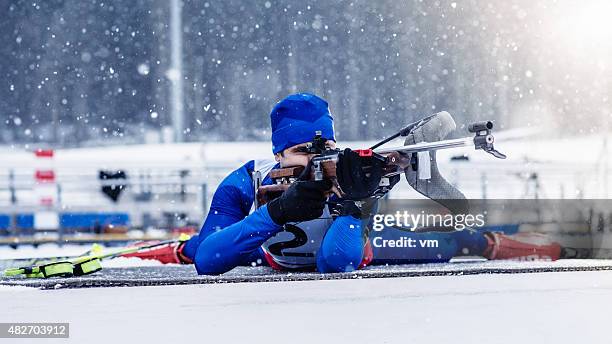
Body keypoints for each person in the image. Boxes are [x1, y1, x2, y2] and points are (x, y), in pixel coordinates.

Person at [124, 93, 562, 274]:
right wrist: (279, 210)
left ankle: (532, 244)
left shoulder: (350, 169)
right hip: (268, 259)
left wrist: (356, 204)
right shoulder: (245, 181)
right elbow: (212, 261)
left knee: (452, 243)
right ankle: (170, 247)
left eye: (326, 146)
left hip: (359, 247)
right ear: (278, 154)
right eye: (302, 151)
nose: (318, 158)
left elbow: (337, 263)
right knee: (199, 248)